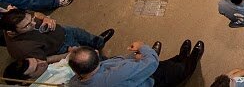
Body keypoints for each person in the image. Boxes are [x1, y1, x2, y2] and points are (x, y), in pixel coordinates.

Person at [66, 39, 203, 87]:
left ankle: (181, 57)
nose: (73, 48)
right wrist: (142, 46)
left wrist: (132, 59)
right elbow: (151, 63)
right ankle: (190, 63)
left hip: (131, 73)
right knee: (176, 70)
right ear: (96, 53)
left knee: (169, 63)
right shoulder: (116, 75)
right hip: (150, 80)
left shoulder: (74, 82)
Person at [0, 9, 113, 61]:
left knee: (84, 35)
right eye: (27, 26)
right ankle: (106, 62)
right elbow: (45, 60)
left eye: (31, 20)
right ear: (11, 32)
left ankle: (99, 42)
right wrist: (68, 54)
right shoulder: (23, 49)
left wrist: (45, 18)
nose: (33, 24)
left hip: (62, 30)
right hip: (61, 49)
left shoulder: (18, 16)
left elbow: (35, 14)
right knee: (88, 58)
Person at [3, 56, 75, 85]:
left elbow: (62, 63)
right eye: (37, 68)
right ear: (27, 80)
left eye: (37, 60)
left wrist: (72, 54)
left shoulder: (43, 71)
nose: (43, 62)